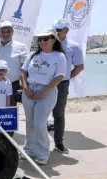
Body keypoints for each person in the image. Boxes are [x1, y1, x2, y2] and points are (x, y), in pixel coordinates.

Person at [19, 27, 66, 166]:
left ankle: (43, 153)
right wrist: (25, 88)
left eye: (46, 38)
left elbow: (59, 77)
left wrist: (43, 92)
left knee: (40, 123)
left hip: (47, 91)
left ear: (53, 39)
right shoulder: (33, 55)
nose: (42, 41)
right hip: (29, 90)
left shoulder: (59, 56)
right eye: (40, 39)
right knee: (30, 122)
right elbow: (23, 71)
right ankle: (29, 150)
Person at [51, 19, 85, 154]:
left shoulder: (74, 47)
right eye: (55, 29)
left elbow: (80, 66)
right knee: (40, 115)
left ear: (66, 31)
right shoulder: (47, 43)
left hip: (61, 84)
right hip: (45, 83)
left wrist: (67, 78)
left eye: (59, 30)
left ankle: (59, 143)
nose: (57, 32)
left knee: (58, 114)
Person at [0, 20, 28, 105]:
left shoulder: (21, 47)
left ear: (12, 32)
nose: (5, 34)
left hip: (13, 86)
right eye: (3, 32)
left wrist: (25, 87)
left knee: (9, 114)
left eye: (8, 31)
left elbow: (25, 70)